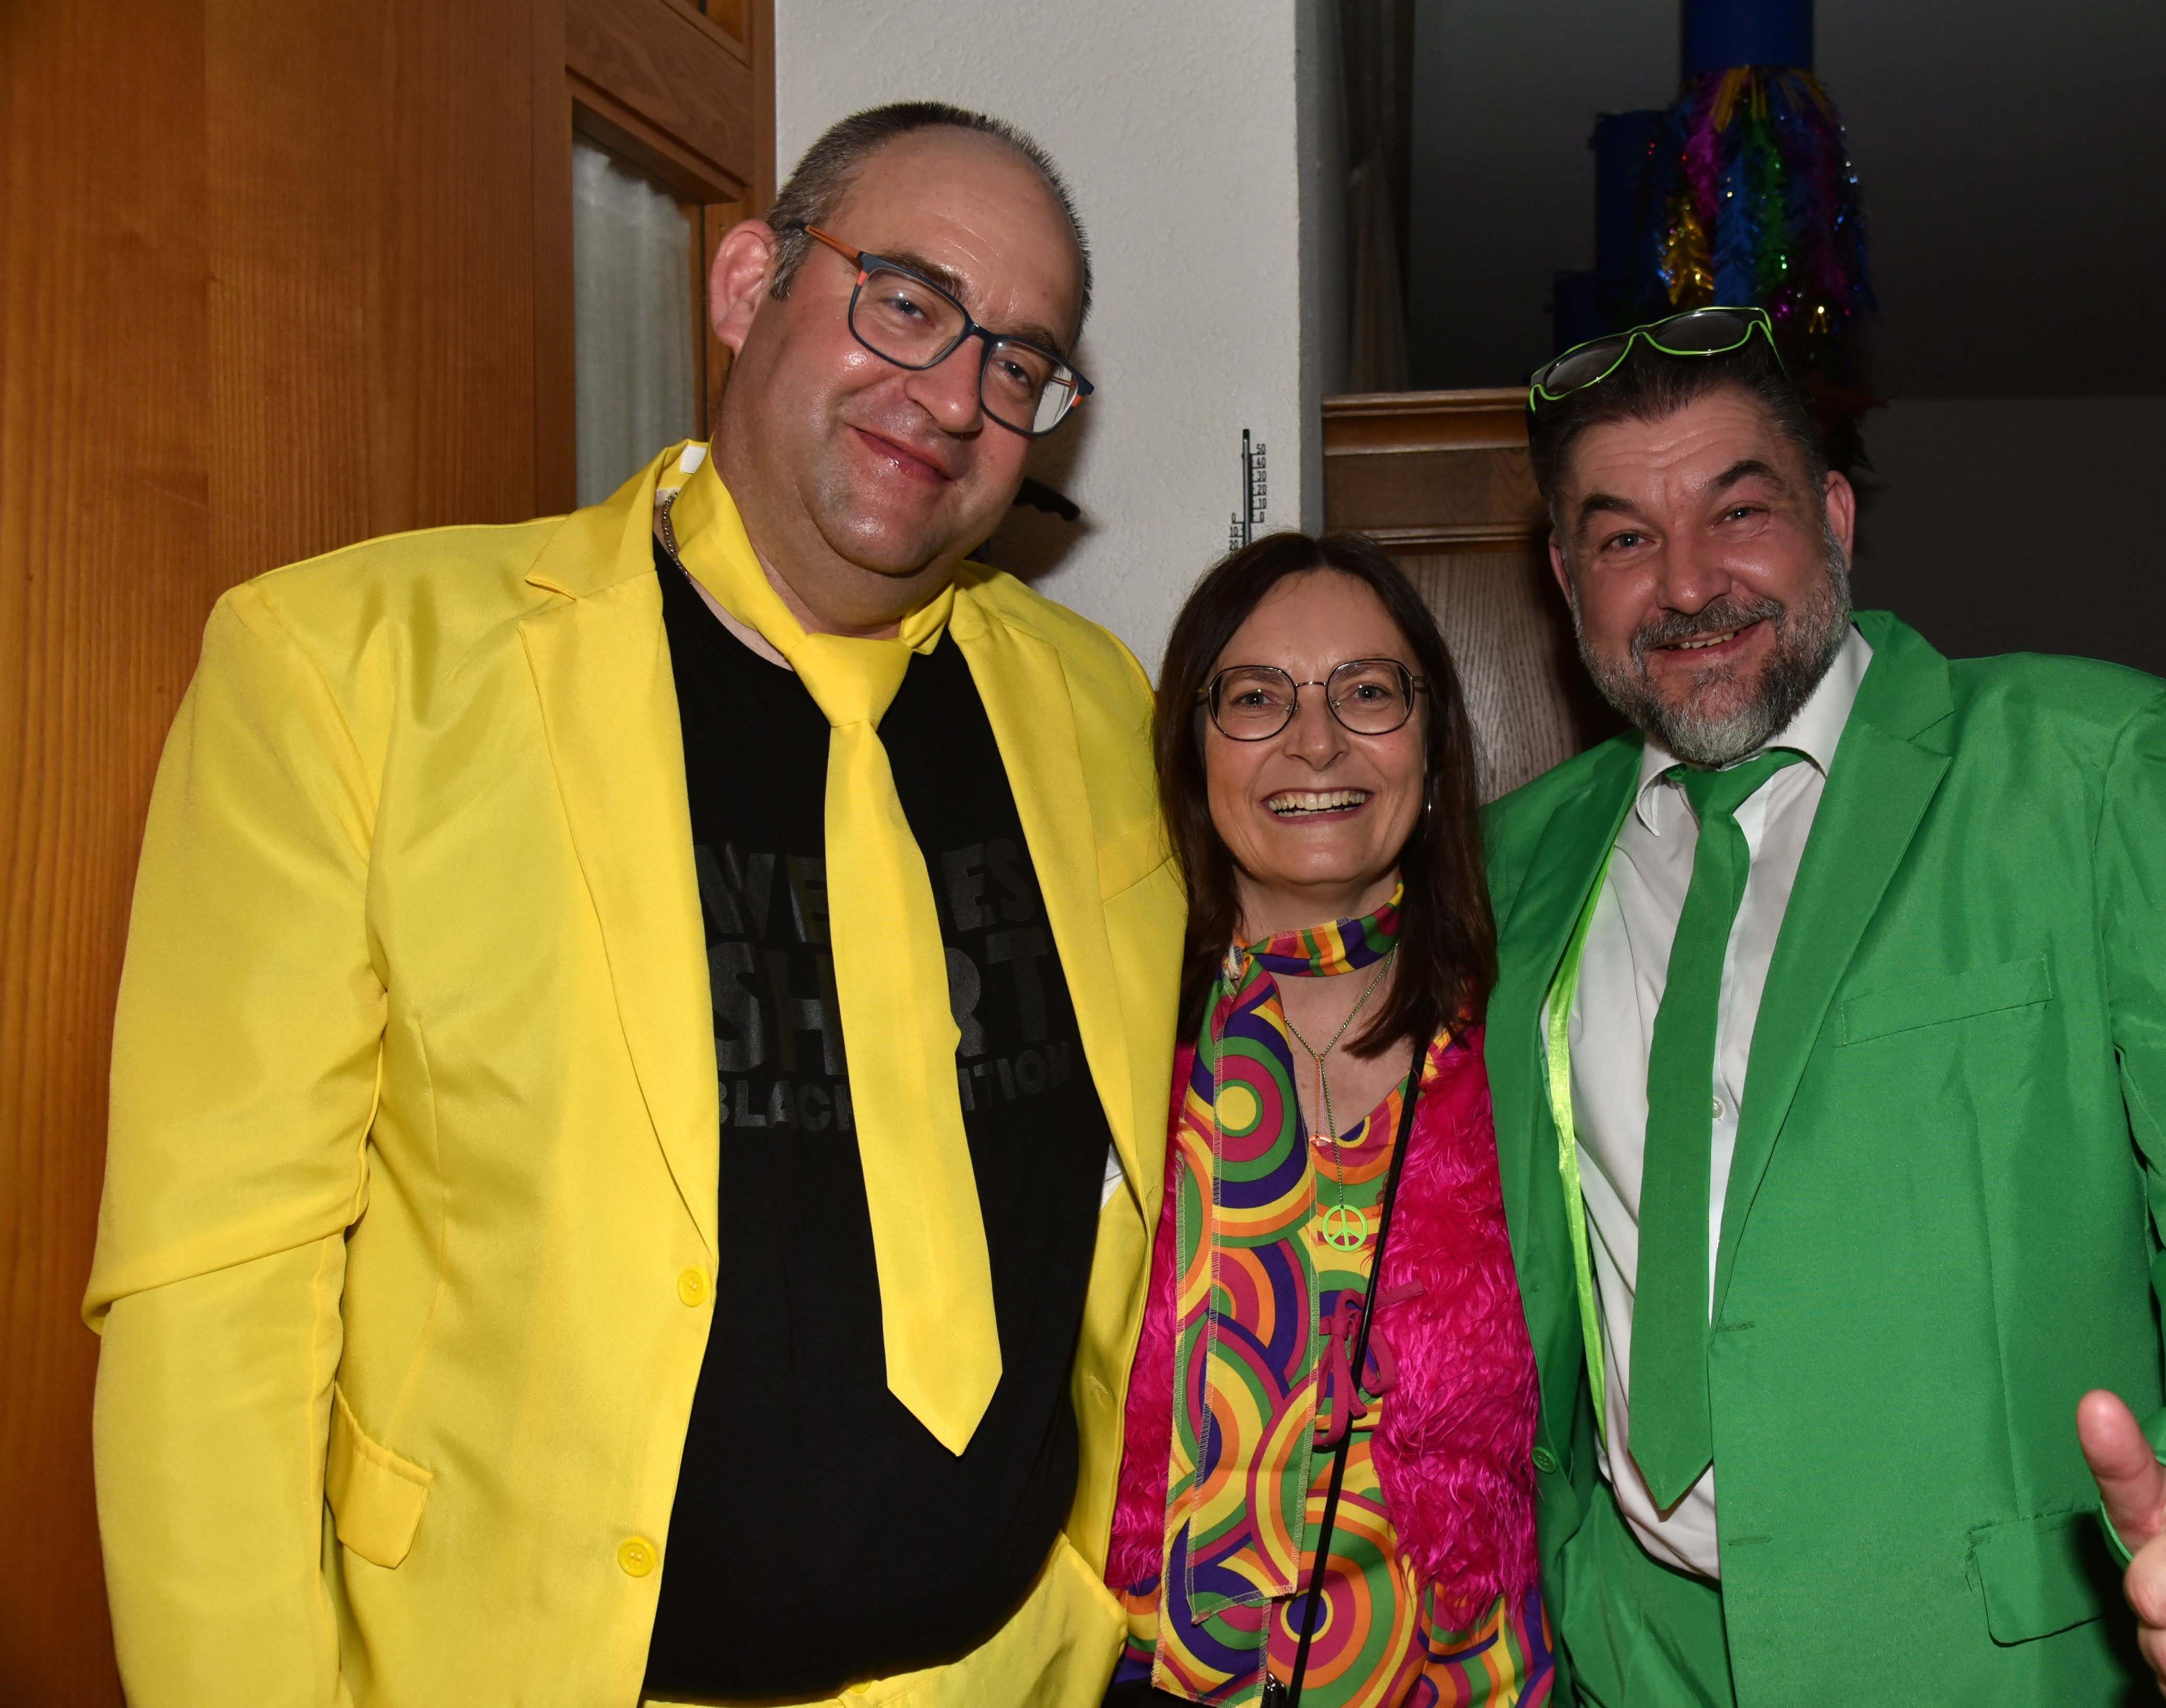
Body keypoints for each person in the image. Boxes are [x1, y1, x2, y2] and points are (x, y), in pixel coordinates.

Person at [84, 102, 1182, 1707]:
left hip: (1019, 1671)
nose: (954, 395)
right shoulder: (354, 676)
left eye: (1018, 364)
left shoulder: (1097, 705)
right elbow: (214, 1300)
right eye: (906, 302)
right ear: (746, 287)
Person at [1479, 307, 2166, 1706]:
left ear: (1833, 517)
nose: (1685, 582)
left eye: (1737, 511)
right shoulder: (1514, 861)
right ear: (1566, 580)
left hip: (1990, 1666)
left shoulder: (2094, 766)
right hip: (1626, 1658)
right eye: (1623, 538)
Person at [1103, 532, 1555, 1705]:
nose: (1316, 740)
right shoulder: (1103, 1040)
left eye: (1366, 691)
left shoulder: (1535, 1035)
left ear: (1433, 740)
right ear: (1192, 745)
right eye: (1257, 697)